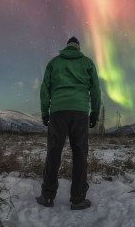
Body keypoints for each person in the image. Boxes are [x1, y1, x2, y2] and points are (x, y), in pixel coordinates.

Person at [36, 36, 101, 210]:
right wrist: (94, 113)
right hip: (80, 112)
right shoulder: (87, 63)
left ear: (66, 47)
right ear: (78, 48)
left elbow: (45, 89)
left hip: (58, 112)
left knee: (54, 152)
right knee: (80, 154)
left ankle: (47, 196)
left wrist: (45, 112)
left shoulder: (54, 63)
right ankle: (78, 199)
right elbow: (95, 90)